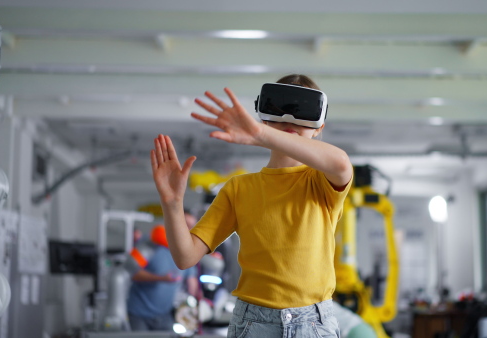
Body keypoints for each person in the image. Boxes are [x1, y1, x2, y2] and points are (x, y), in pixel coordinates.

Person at [150, 74, 353, 337]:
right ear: (264, 115)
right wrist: (172, 203)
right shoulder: (239, 188)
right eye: (281, 110)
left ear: (319, 125)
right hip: (253, 323)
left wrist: (261, 134)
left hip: (312, 324)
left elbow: (341, 163)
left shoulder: (322, 181)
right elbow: (185, 256)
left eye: (301, 111)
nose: (289, 119)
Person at [124, 210, 199, 331]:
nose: (188, 229)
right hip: (139, 312)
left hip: (164, 314)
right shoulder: (149, 241)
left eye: (191, 226)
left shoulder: (186, 250)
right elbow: (132, 273)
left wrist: (195, 301)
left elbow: (191, 280)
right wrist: (161, 278)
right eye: (185, 224)